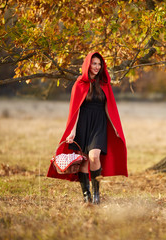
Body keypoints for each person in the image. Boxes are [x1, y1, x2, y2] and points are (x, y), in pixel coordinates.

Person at [47, 52, 128, 204]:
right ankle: (86, 195)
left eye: (99, 64)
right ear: (87, 65)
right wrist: (72, 131)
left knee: (94, 157)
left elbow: (108, 107)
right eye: (94, 63)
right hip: (83, 123)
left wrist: (115, 126)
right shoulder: (79, 83)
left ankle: (96, 194)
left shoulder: (104, 83)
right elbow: (75, 110)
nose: (97, 67)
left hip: (99, 124)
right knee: (84, 161)